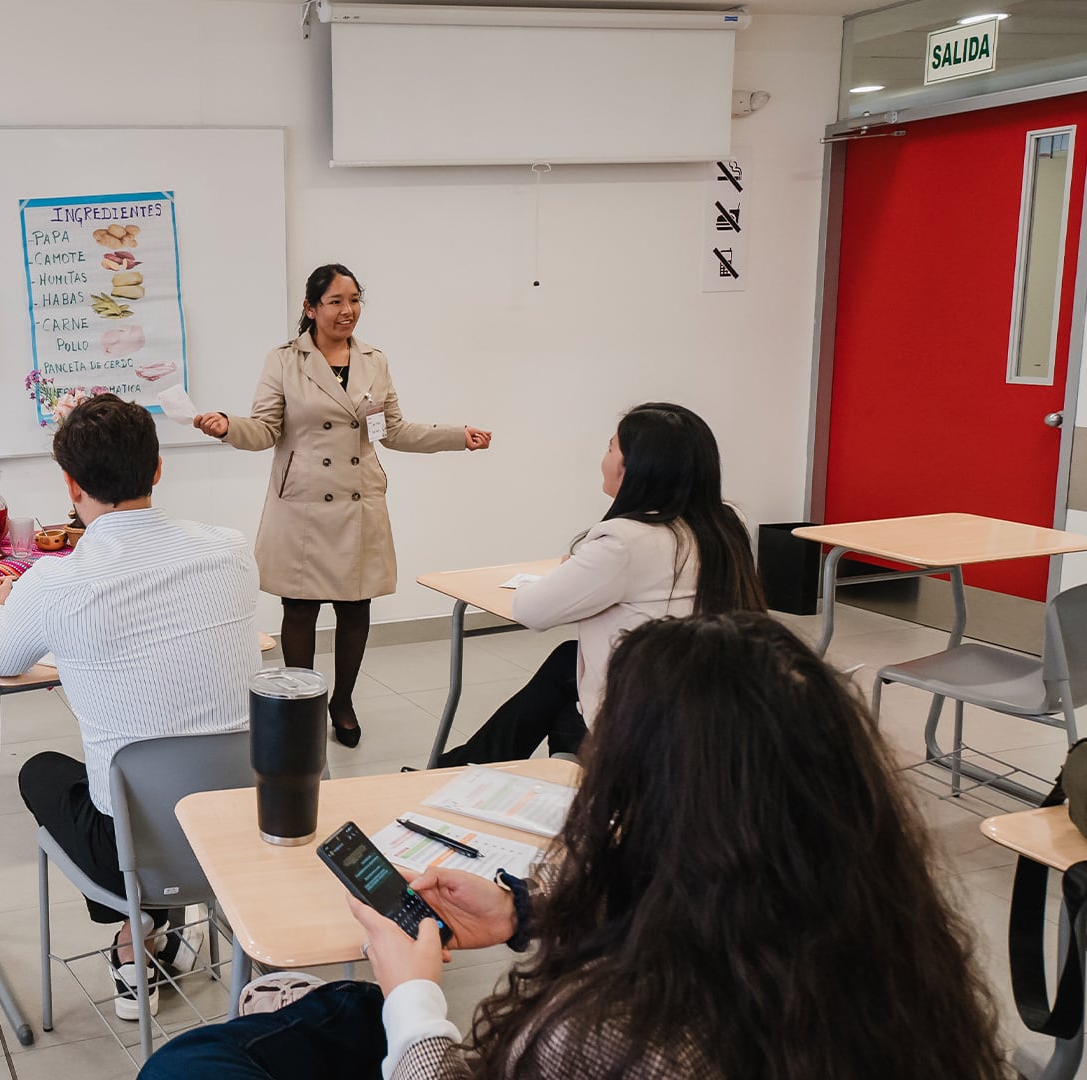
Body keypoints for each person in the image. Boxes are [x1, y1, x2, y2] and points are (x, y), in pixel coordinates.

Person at [142, 612, 1012, 1080]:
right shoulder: (887, 951)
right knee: (329, 1017)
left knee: (198, 1063)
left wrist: (413, 996)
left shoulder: (606, 1038)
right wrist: (528, 908)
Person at [0, 394, 259, 1020]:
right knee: (167, 763)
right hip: (248, 819)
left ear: (71, 486)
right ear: (157, 470)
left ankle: (136, 937)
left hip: (136, 844)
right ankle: (151, 934)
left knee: (43, 770)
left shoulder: (55, 582)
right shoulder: (231, 549)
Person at [194, 264, 491, 748]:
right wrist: (228, 426)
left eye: (354, 300)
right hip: (303, 505)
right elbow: (266, 429)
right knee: (301, 607)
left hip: (358, 501)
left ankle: (343, 700)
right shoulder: (285, 360)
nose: (346, 310)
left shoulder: (374, 360)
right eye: (334, 301)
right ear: (310, 308)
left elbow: (392, 431)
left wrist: (458, 436)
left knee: (356, 609)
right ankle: (299, 704)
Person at [439, 402, 765, 766]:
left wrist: (576, 566)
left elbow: (531, 610)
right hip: (708, 696)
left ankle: (459, 769)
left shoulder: (624, 541)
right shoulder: (724, 524)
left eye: (611, 448)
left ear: (636, 468)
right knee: (567, 663)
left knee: (565, 681)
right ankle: (464, 764)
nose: (604, 458)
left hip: (646, 711)